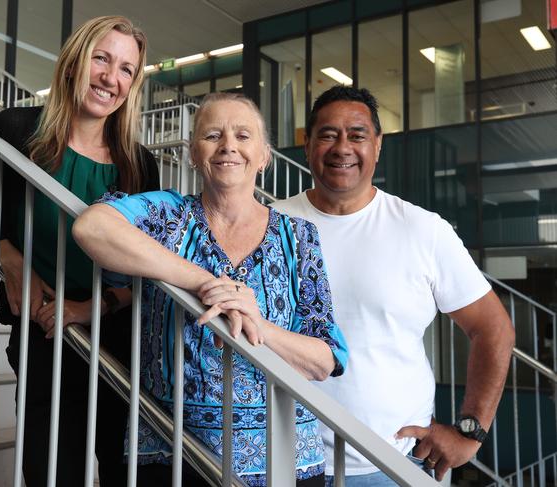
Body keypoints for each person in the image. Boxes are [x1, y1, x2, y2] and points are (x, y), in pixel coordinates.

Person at [73, 92, 349, 487]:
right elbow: (91, 228)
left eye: (243, 135)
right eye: (213, 135)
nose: (228, 147)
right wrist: (203, 282)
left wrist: (259, 326)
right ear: (192, 152)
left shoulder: (299, 236)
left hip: (283, 462)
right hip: (172, 456)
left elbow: (325, 360)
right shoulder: (167, 216)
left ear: (264, 155)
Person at [271, 85, 515, 486]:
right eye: (328, 134)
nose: (342, 148)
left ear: (378, 145)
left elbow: (494, 329)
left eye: (357, 134)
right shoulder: (267, 224)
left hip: (395, 466)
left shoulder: (422, 229)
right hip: (284, 462)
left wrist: (470, 433)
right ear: (308, 144)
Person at [0, 16, 159, 487]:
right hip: (43, 330)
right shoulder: (16, 128)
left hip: (114, 336)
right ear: (75, 60)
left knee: (123, 471)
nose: (110, 78)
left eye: (126, 69)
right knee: (50, 470)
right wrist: (12, 261)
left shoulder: (139, 164)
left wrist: (91, 306)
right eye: (101, 58)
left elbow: (145, 265)